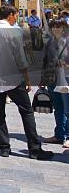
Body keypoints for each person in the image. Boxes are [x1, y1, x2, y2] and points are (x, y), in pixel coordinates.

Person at [0, 5, 53, 160]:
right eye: (15, 15)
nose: (16, 18)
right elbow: (21, 59)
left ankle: (4, 148)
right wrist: (27, 79)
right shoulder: (14, 32)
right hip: (13, 79)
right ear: (10, 15)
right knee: (27, 112)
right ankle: (34, 149)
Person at [40, 19, 69, 148]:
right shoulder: (50, 42)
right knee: (58, 108)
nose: (56, 29)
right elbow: (45, 60)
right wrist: (42, 78)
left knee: (67, 109)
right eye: (54, 26)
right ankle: (59, 135)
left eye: (59, 26)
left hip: (66, 79)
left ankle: (67, 136)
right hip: (52, 79)